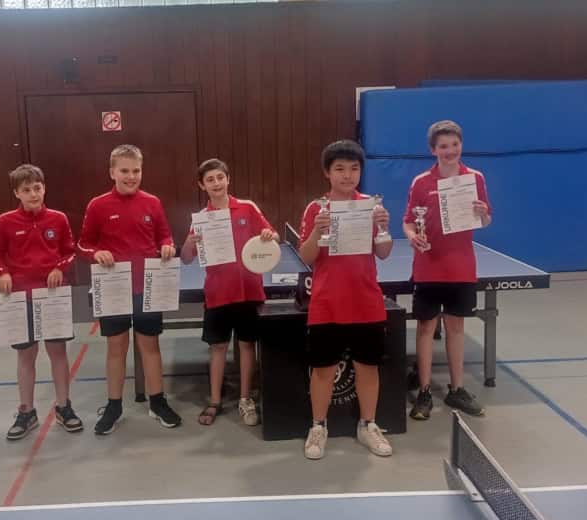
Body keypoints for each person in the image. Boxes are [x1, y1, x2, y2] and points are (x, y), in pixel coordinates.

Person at [297, 140, 394, 460]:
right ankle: (318, 426)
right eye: (339, 169)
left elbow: (384, 252)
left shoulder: (371, 206)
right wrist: (317, 231)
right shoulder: (316, 208)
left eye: (354, 169)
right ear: (327, 173)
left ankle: (368, 425)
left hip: (367, 301)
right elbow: (306, 257)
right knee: (323, 370)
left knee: (368, 367)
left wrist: (383, 228)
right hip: (327, 303)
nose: (347, 175)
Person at [77, 144, 182, 435]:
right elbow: (83, 243)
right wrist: (95, 253)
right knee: (116, 347)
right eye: (124, 170)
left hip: (147, 286)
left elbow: (165, 236)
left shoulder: (152, 202)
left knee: (150, 345)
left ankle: (157, 402)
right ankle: (114, 406)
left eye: (136, 171)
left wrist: (167, 246)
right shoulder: (97, 205)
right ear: (112, 172)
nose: (131, 176)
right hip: (113, 287)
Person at [403, 120, 492, 421]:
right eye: (443, 146)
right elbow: (408, 220)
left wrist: (482, 214)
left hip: (461, 268)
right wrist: (413, 236)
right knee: (426, 329)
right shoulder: (420, 182)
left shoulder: (475, 178)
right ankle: (425, 391)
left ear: (461, 145)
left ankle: (457, 389)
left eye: (455, 144)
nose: (450, 150)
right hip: (428, 267)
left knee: (456, 328)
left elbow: (486, 220)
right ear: (434, 150)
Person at [0, 164, 82, 440]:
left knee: (58, 352)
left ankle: (63, 407)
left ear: (44, 188)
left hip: (52, 297)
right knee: (26, 355)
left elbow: (70, 251)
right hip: (19, 297)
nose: (33, 194)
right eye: (26, 189)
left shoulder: (58, 219)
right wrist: (2, 273)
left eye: (37, 188)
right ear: (17, 193)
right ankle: (27, 411)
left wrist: (59, 268)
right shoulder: (5, 221)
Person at [180, 158, 278, 426]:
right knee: (218, 347)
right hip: (218, 293)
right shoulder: (202, 219)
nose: (216, 183)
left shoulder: (247, 208)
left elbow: (274, 236)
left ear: (228, 179)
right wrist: (189, 242)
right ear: (202, 185)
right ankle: (214, 400)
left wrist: (269, 235)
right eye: (210, 180)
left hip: (249, 291)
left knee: (247, 345)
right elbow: (186, 258)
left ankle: (245, 399)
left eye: (220, 177)